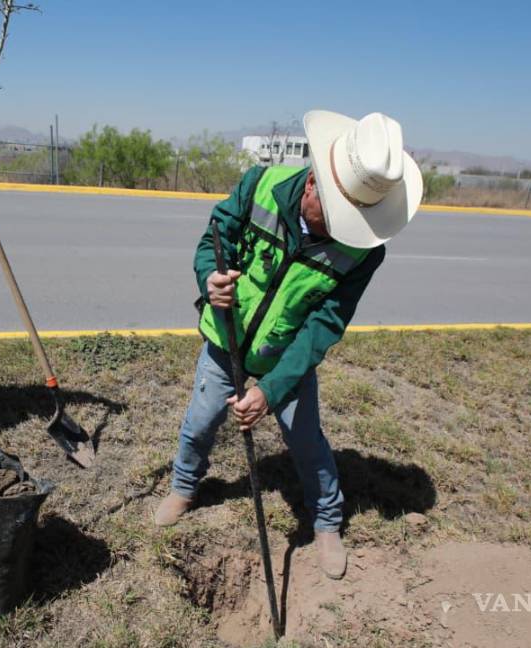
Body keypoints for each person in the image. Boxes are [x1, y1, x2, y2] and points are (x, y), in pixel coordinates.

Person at [153, 111, 423, 580]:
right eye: (339, 216)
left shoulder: (365, 251)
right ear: (314, 184)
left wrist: (271, 389)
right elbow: (214, 238)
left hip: (286, 355)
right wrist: (210, 278)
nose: (343, 230)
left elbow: (324, 324)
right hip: (227, 338)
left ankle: (326, 521)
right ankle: (184, 486)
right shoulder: (260, 185)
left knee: (306, 440)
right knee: (200, 421)